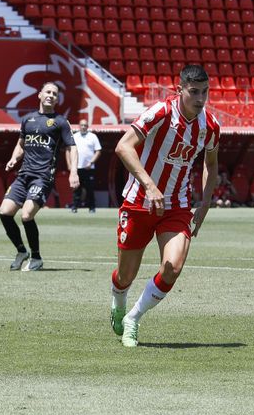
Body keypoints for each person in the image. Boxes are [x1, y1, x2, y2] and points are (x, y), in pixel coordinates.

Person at [109, 64, 220, 348]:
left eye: (205, 92)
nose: (200, 98)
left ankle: (133, 318)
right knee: (125, 276)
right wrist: (149, 184)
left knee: (172, 265)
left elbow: (211, 165)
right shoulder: (160, 113)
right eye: (194, 92)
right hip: (138, 202)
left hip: (177, 206)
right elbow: (123, 146)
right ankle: (118, 301)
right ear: (180, 89)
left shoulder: (210, 126)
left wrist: (205, 204)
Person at [0, 82, 78, 270]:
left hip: (43, 177)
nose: (51, 95)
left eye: (55, 94)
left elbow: (72, 147)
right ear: (40, 95)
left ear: (57, 99)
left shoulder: (60, 122)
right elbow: (21, 143)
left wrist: (73, 171)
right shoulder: (28, 119)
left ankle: (36, 257)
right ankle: (21, 251)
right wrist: (13, 158)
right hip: (23, 175)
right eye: (48, 92)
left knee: (26, 215)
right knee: (5, 213)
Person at [71, 118, 100, 213]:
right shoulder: (74, 136)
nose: (83, 127)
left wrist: (91, 162)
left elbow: (98, 151)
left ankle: (92, 207)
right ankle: (74, 207)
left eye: (85, 125)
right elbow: (69, 150)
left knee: (90, 189)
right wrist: (70, 164)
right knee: (76, 188)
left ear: (88, 126)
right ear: (79, 126)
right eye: (82, 125)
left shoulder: (93, 136)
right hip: (77, 167)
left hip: (89, 168)